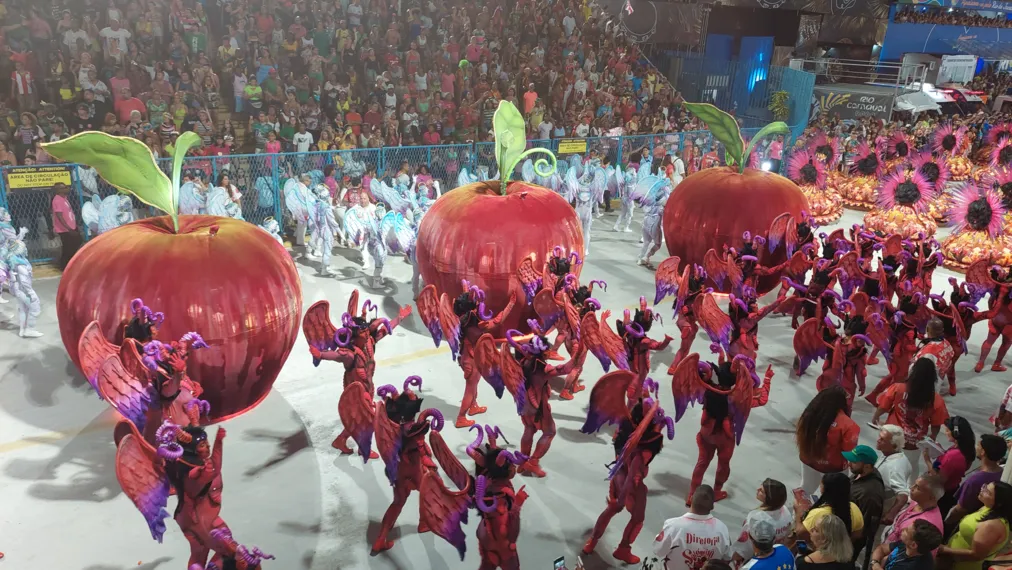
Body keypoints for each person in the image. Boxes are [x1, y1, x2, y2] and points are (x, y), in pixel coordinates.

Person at [871, 358, 948, 486]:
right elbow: (936, 423)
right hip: (914, 441)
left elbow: (883, 406)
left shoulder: (898, 388)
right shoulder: (936, 400)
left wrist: (876, 416)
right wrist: (932, 436)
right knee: (912, 466)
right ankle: (910, 489)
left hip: (892, 437)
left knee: (887, 461)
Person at [796, 386, 860, 495]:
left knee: (805, 489)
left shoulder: (808, 415)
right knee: (833, 495)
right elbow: (849, 451)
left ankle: (799, 509)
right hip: (833, 467)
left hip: (808, 460)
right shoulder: (848, 425)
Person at [652, 485, 731, 570]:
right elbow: (727, 558)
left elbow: (658, 550)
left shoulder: (673, 527)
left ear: (690, 499)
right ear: (712, 507)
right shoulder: (722, 529)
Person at [938, 482, 1012, 570]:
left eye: (988, 492)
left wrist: (944, 550)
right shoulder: (987, 507)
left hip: (963, 564)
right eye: (985, 486)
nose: (982, 490)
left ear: (999, 503)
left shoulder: (991, 526)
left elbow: (976, 555)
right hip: (952, 555)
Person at [944, 434, 1007, 533]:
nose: (976, 447)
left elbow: (960, 509)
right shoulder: (1002, 472)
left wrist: (946, 522)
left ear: (983, 452)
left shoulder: (975, 480)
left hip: (966, 523)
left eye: (978, 445)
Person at [732, 479, 794, 565]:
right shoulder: (785, 511)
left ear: (769, 498)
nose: (757, 489)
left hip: (756, 559)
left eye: (762, 491)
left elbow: (744, 548)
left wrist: (733, 556)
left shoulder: (756, 518)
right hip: (774, 554)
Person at [925, 416, 975, 518]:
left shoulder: (953, 456)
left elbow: (939, 479)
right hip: (952, 488)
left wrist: (927, 461)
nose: (945, 432)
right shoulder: (964, 448)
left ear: (956, 433)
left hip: (942, 494)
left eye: (947, 431)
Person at [795, 472, 865, 542]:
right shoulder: (854, 508)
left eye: (821, 485)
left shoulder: (817, 514)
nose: (820, 486)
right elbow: (857, 535)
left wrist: (798, 514)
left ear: (825, 490)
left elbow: (800, 534)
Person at [846, 445, 885, 562]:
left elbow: (864, 527)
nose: (849, 463)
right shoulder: (861, 473)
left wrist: (846, 543)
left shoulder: (869, 494)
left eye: (853, 461)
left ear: (867, 466)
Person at [883, 474, 945, 545]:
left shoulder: (928, 526)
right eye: (914, 484)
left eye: (917, 488)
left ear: (931, 497)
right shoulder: (918, 501)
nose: (911, 488)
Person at [870, 519, 942, 570]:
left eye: (907, 531)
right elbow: (881, 549)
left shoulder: (913, 566)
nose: (903, 529)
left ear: (913, 545)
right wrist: (875, 563)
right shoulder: (908, 544)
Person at [877, 425, 913, 524]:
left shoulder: (896, 466)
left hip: (885, 503)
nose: (878, 440)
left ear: (893, 445)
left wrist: (891, 513)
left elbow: (903, 494)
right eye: (879, 437)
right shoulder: (888, 453)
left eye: (882, 439)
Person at [914, 318, 955, 395]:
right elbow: (950, 362)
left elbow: (917, 372)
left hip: (925, 388)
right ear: (942, 330)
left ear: (927, 329)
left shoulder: (928, 353)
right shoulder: (947, 344)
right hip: (938, 381)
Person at [51, 182, 80, 269]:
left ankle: (69, 263)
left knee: (76, 243)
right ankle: (64, 266)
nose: (66, 189)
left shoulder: (64, 198)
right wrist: (68, 228)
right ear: (58, 190)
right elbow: (59, 216)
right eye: (63, 188)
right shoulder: (57, 200)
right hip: (65, 229)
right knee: (68, 248)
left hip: (71, 226)